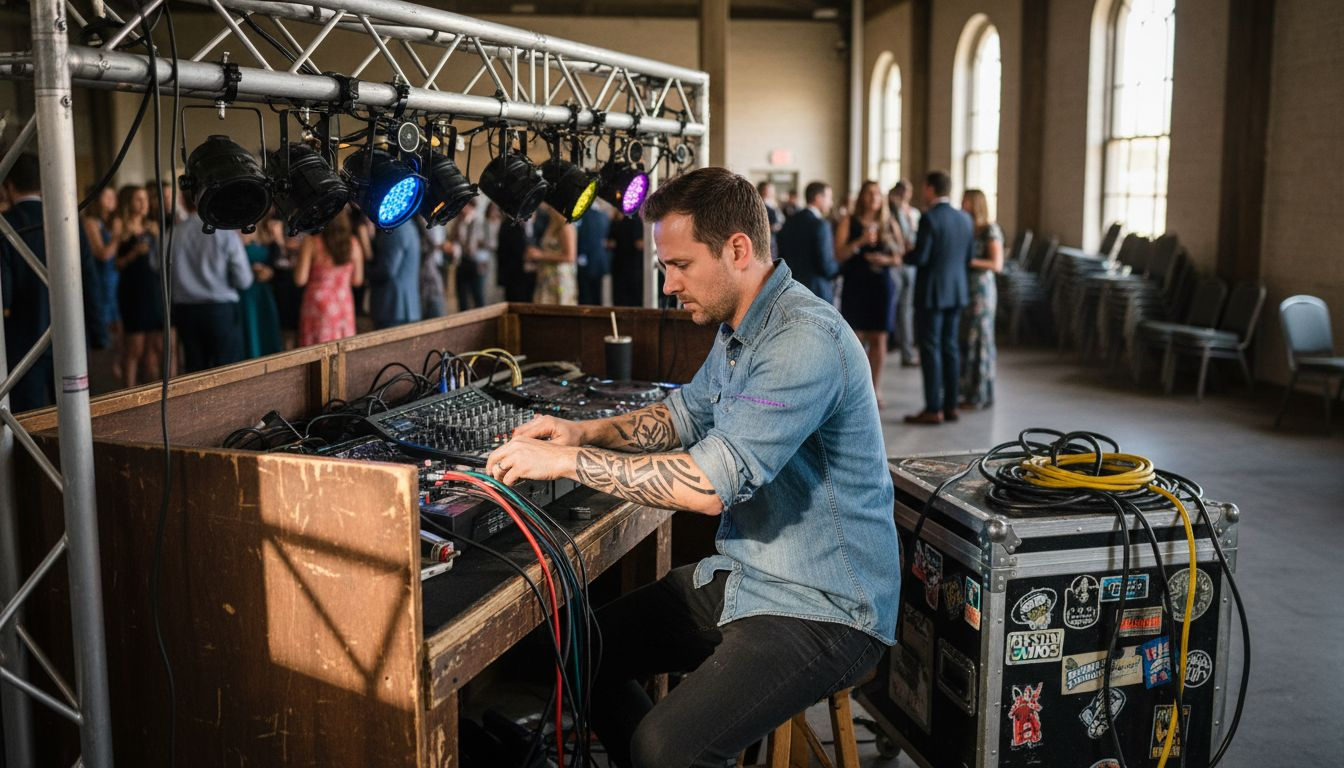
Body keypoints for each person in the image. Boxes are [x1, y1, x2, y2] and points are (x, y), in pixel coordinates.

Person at [483, 167, 898, 768]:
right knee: (575, 648)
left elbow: (708, 486)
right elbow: (682, 414)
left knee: (666, 747)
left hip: (826, 605)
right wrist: (580, 430)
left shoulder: (801, 340)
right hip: (751, 576)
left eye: (680, 265)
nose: (669, 284)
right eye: (664, 267)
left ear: (738, 249)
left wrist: (567, 459)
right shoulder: (741, 326)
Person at [0, 154, 99, 411]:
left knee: (30, 421)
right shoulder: (69, 220)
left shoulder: (5, 224)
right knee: (75, 416)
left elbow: (4, 294)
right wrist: (98, 332)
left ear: (7, 184)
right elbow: (89, 279)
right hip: (72, 337)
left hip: (22, 343)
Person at [903, 170, 975, 425]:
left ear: (931, 189)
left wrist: (906, 253)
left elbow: (921, 258)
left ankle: (934, 408)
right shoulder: (965, 219)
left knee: (931, 349)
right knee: (951, 348)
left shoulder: (929, 218)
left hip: (932, 293)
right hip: (956, 291)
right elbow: (968, 258)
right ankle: (952, 405)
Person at [170, 194, 253, 373]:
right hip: (220, 310)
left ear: (183, 201)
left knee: (195, 371)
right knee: (227, 371)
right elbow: (244, 279)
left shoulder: (173, 234)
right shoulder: (225, 233)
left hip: (185, 311)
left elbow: (157, 265)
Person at [835, 180, 901, 403]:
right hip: (856, 283)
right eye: (870, 193)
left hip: (880, 285)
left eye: (877, 193)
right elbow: (839, 254)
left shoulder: (888, 222)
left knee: (878, 338)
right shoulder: (849, 221)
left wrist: (886, 259)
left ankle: (875, 389)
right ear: (862, 196)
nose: (874, 197)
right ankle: (854, 391)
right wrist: (860, 241)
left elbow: (900, 256)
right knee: (855, 339)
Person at [113, 184, 166, 387]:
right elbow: (115, 264)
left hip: (152, 288)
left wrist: (157, 237)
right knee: (134, 347)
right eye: (138, 199)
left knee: (153, 347)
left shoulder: (152, 226)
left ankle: (150, 394)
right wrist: (134, 253)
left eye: (145, 199)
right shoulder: (121, 226)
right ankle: (129, 392)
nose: (144, 203)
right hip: (132, 290)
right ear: (128, 202)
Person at [959, 188, 1004, 409]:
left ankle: (979, 395)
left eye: (966, 201)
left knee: (979, 341)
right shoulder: (970, 229)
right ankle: (966, 390)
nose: (962, 205)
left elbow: (996, 264)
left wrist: (970, 262)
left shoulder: (990, 230)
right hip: (966, 288)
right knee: (967, 339)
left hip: (982, 291)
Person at [295, 208, 363, 346]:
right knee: (342, 349)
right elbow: (357, 281)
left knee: (317, 352)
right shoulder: (353, 243)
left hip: (318, 304)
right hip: (343, 302)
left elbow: (299, 279)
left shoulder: (311, 242)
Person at [777, 181, 838, 302]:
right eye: (829, 198)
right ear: (818, 198)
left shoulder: (789, 222)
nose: (831, 203)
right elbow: (827, 267)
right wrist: (840, 266)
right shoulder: (821, 225)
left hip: (792, 290)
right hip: (817, 293)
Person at [238, 215, 284, 359]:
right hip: (245, 292)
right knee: (249, 329)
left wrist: (270, 271)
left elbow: (280, 262)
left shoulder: (268, 231)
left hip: (264, 292)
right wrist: (250, 269)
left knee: (266, 329)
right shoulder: (236, 232)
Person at [888, 180, 921, 366]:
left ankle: (907, 352)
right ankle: (889, 342)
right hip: (896, 264)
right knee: (892, 305)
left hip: (910, 264)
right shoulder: (891, 209)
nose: (907, 194)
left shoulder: (912, 212)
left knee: (907, 309)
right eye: (904, 190)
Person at [82, 185, 118, 351]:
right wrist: (117, 236)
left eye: (113, 196)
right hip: (101, 278)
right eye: (107, 197)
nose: (112, 200)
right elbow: (103, 254)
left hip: (115, 276)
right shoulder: (90, 222)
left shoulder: (110, 221)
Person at [366, 219, 422, 329]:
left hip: (393, 308)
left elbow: (387, 270)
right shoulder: (408, 225)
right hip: (404, 308)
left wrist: (364, 272)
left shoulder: (396, 230)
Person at [531, 203, 578, 305]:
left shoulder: (565, 226)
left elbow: (570, 256)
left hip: (559, 279)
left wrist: (540, 255)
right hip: (547, 277)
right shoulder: (551, 223)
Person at [449, 199, 488, 310]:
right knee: (462, 298)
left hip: (476, 263)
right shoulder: (458, 222)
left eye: (466, 206)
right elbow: (452, 239)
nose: (464, 209)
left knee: (478, 297)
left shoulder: (479, 223)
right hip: (461, 262)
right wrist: (461, 223)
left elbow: (481, 243)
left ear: (472, 207)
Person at [495, 209, 538, 302]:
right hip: (514, 279)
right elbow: (502, 254)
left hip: (535, 279)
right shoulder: (508, 224)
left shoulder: (541, 222)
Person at [575, 198, 612, 305]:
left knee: (585, 296)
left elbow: (582, 237)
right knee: (597, 296)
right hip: (599, 260)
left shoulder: (584, 216)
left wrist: (581, 256)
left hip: (586, 260)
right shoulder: (604, 216)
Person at [606, 209, 645, 307]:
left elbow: (640, 244)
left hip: (630, 267)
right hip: (623, 267)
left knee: (629, 299)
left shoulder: (632, 220)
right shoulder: (617, 221)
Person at [757, 180, 784, 259]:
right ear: (763, 190)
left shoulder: (773, 204)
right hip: (766, 242)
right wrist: (774, 226)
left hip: (774, 240)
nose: (772, 192)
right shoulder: (760, 206)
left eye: (773, 190)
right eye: (770, 190)